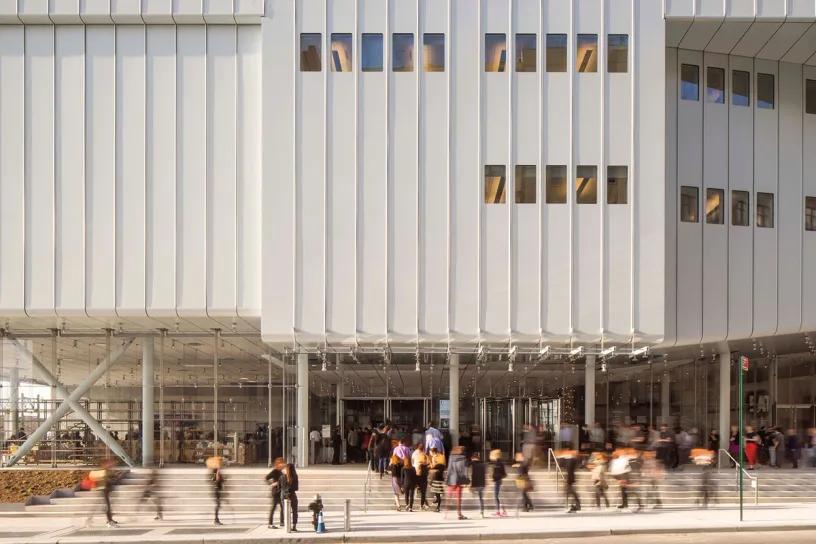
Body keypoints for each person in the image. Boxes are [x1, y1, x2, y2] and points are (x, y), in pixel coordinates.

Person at [445, 446, 469, 520]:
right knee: (459, 498)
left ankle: (446, 514)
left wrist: (448, 479)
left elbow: (449, 469)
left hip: (452, 479)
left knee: (449, 497)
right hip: (459, 479)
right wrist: (466, 479)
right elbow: (464, 471)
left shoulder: (451, 457)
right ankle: (459, 514)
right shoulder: (464, 458)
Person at [266, 457, 285, 528]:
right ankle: (270, 523)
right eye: (281, 463)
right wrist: (272, 484)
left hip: (280, 492)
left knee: (283, 507)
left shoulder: (281, 472)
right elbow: (267, 477)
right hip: (275, 492)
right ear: (278, 464)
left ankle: (282, 521)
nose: (282, 465)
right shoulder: (275, 471)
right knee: (274, 507)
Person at [279, 463, 299, 531]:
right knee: (294, 510)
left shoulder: (282, 477)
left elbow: (279, 487)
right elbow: (296, 488)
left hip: (283, 495)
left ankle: (286, 525)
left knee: (284, 510)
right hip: (292, 494)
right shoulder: (295, 476)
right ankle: (294, 525)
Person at [489, 449, 507, 517]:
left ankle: (499, 511)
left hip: (497, 480)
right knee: (498, 496)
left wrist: (494, 477)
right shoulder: (498, 463)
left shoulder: (498, 463)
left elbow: (500, 473)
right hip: (497, 480)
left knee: (496, 496)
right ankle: (501, 510)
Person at [413, 444, 430, 510]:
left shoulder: (419, 466)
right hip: (424, 479)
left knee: (421, 492)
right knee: (423, 493)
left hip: (418, 476)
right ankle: (422, 505)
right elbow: (428, 463)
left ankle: (424, 504)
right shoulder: (426, 467)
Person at [470, 453, 486, 518]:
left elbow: (473, 475)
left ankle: (481, 511)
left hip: (475, 483)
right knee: (480, 498)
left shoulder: (473, 464)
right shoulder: (483, 464)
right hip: (481, 483)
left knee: (478, 497)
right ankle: (482, 512)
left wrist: (471, 485)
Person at [210, 461, 225, 525]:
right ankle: (216, 519)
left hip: (217, 490)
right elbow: (218, 481)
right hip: (217, 491)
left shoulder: (215, 474)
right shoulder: (217, 474)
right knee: (218, 505)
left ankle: (216, 519)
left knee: (218, 505)